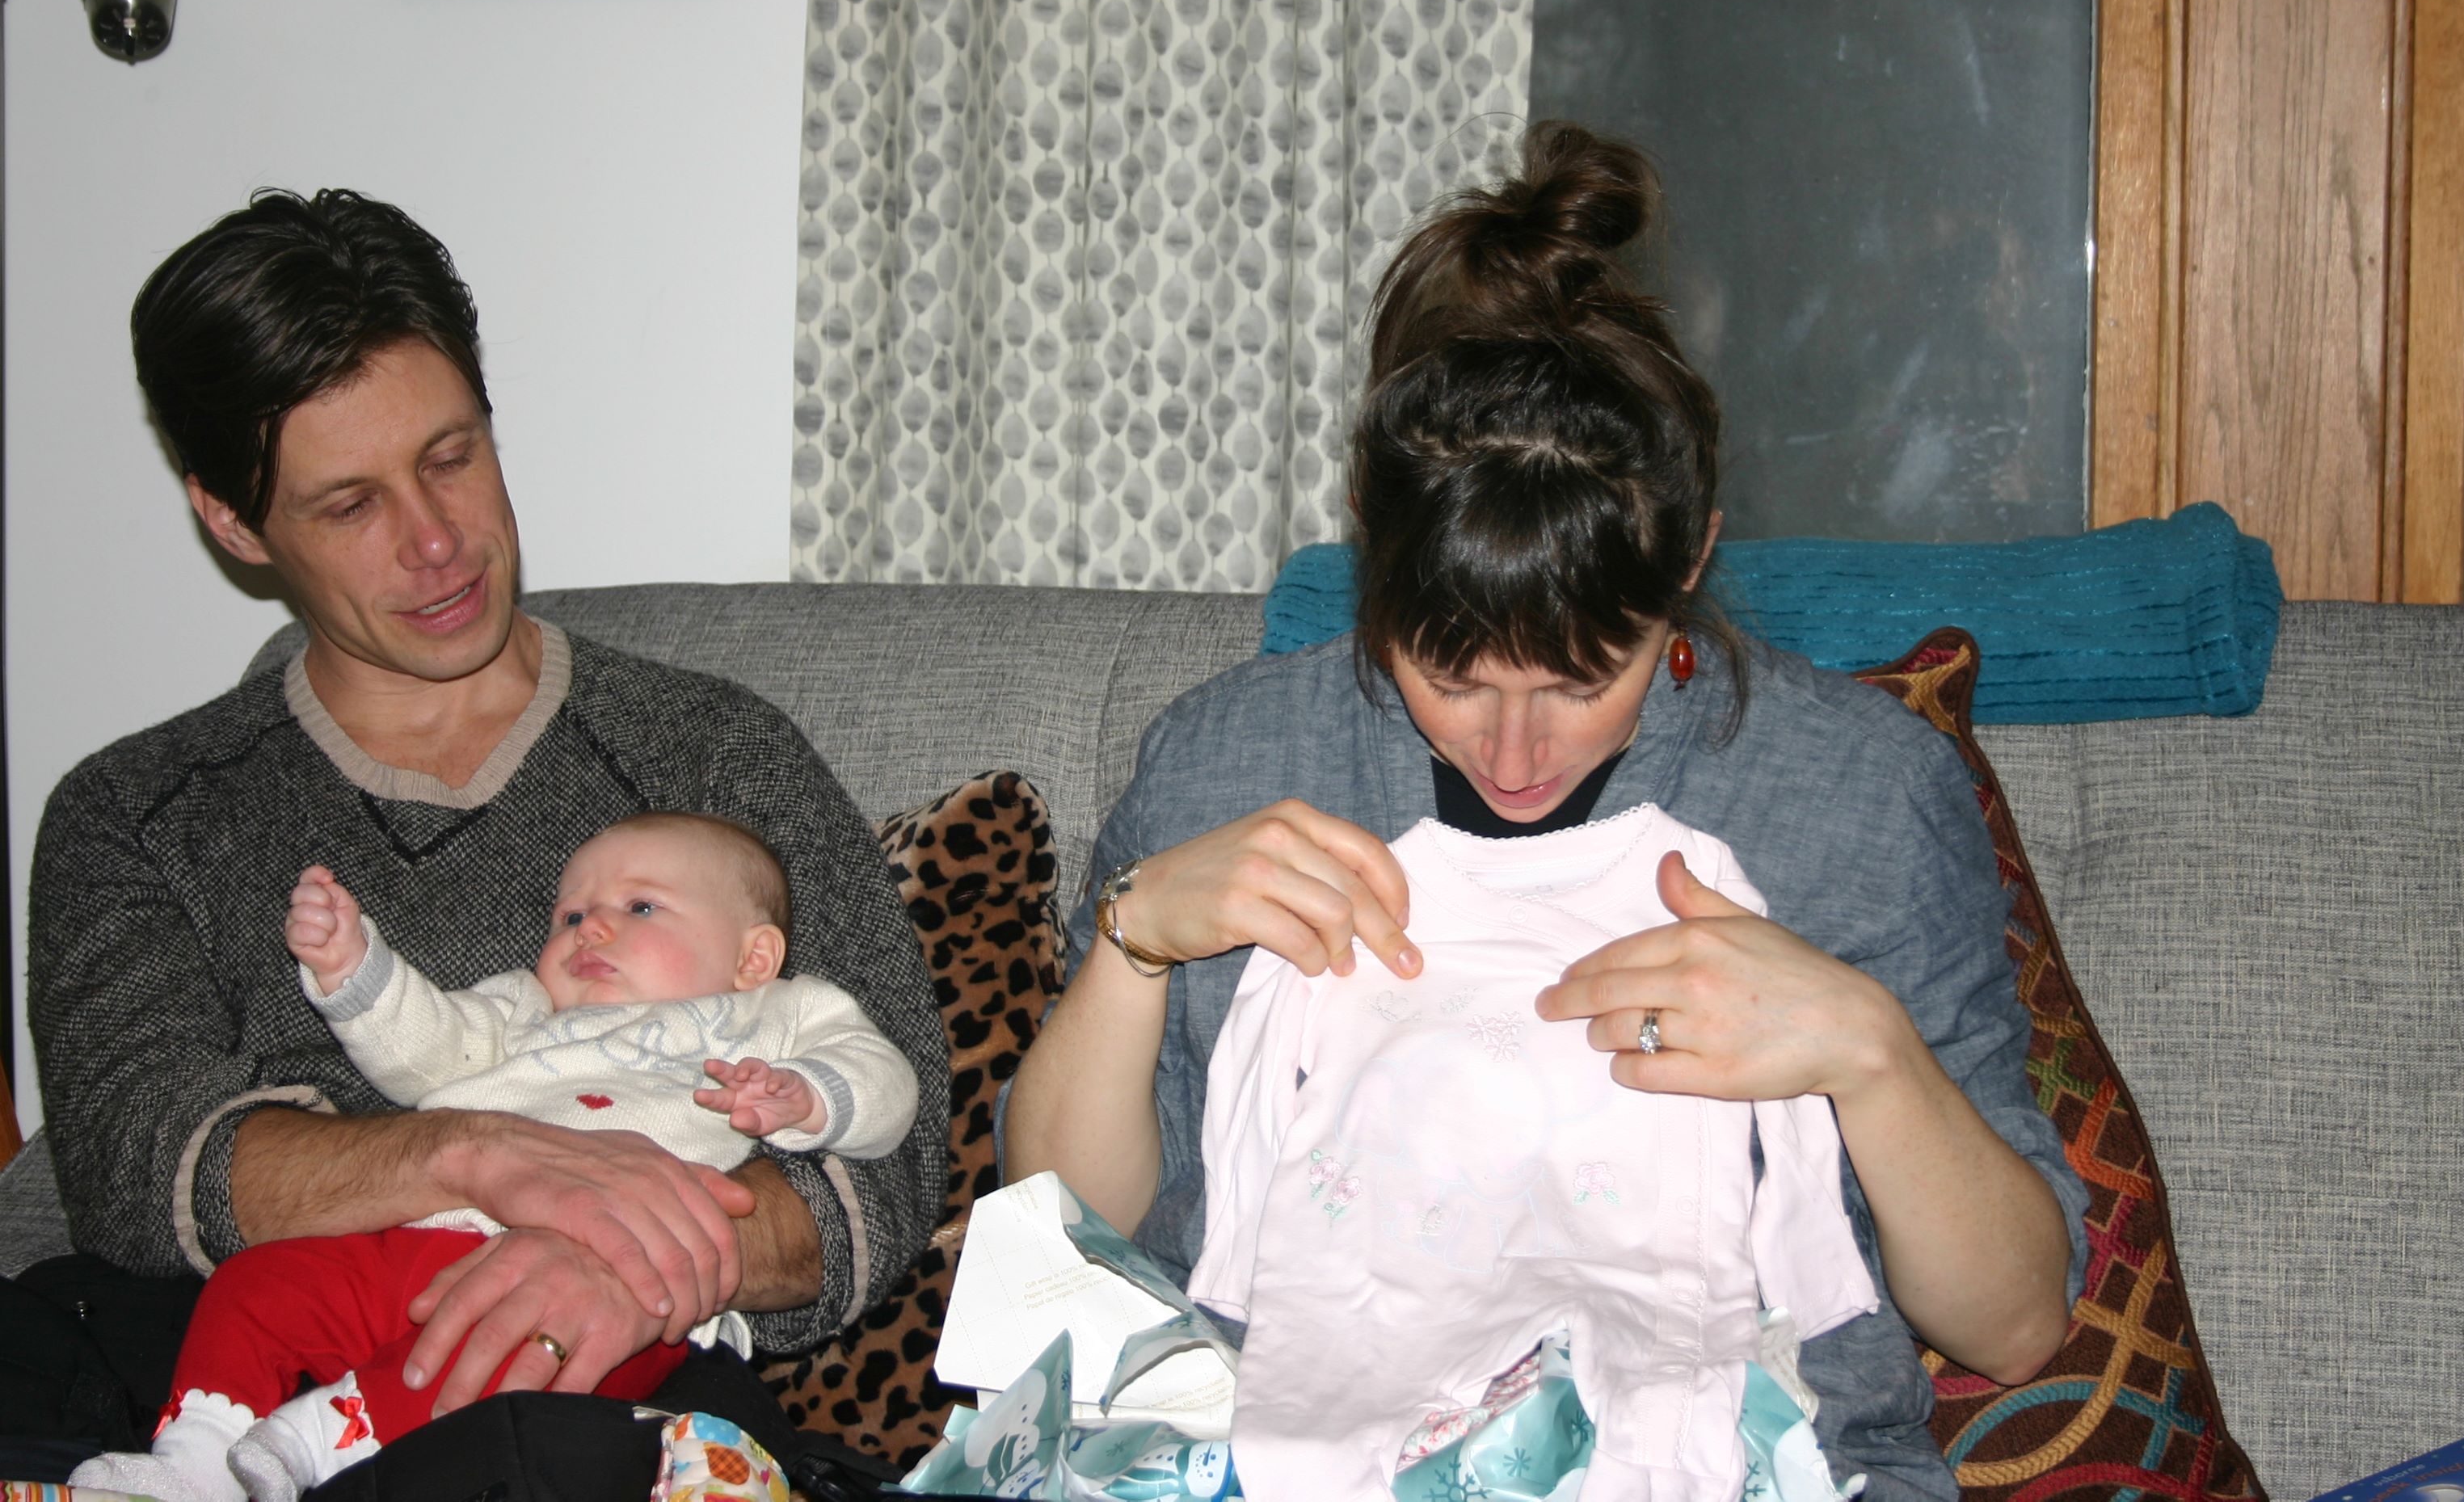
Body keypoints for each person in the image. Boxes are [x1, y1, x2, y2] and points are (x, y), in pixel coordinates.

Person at [1002, 124, 2085, 1502]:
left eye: (1582, 680)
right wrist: (1137, 935)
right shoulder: (1230, 757)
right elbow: (1070, 1247)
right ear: (1372, 549)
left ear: (1688, 559)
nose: (1513, 752)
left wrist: (1868, 1052)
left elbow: (2013, 1324)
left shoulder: (1858, 794)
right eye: (1449, 673)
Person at [26, 190, 946, 1445]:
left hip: (623, 1399)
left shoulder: (714, 754)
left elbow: (894, 1145)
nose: (436, 542)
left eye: (451, 457)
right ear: (233, 522)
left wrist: (635, 1267)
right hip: (240, 1380)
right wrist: (470, 1156)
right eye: (350, 505)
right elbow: (134, 1162)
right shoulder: (137, 815)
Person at [78, 811, 919, 1502]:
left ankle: (310, 1441)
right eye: (570, 915)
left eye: (641, 907)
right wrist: (355, 969)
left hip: (616, 1288)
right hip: (418, 1239)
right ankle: (196, 1458)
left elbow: (886, 1083)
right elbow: (428, 1047)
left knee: (515, 1370)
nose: (591, 925)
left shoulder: (777, 1014)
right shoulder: (526, 1006)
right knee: (256, 1286)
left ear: (752, 957)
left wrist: (806, 1095)